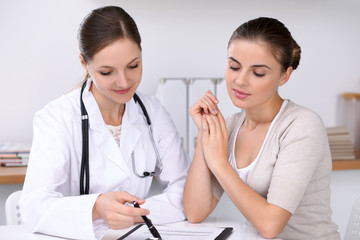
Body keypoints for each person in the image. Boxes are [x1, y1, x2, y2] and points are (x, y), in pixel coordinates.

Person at [19, 6, 189, 240]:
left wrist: (132, 214)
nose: (123, 82)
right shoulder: (56, 118)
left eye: (133, 66)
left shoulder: (153, 113)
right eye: (107, 72)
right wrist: (96, 208)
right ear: (84, 63)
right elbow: (33, 206)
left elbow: (185, 193)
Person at [183, 17, 340, 240]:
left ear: (284, 75)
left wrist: (219, 162)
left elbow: (270, 225)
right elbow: (195, 212)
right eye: (234, 66)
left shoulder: (302, 125)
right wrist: (205, 133)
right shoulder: (230, 126)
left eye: (258, 73)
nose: (240, 80)